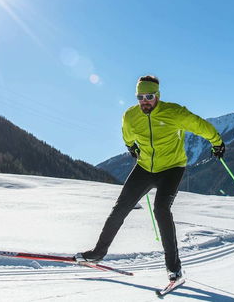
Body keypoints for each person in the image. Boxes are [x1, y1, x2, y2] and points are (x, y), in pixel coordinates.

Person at [75, 75, 225, 282]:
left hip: (172, 168)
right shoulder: (130, 116)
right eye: (140, 96)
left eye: (149, 96)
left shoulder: (174, 112)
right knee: (120, 208)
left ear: (157, 96)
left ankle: (174, 267)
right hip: (144, 167)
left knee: (161, 210)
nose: (144, 100)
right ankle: (98, 253)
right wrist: (131, 146)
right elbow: (127, 134)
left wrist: (217, 142)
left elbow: (199, 125)